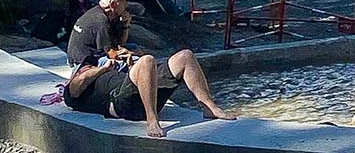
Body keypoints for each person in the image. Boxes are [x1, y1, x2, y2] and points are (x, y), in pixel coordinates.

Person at [64, 47, 235, 138]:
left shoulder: (109, 72)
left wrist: (129, 64)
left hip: (144, 95)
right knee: (147, 60)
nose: (90, 65)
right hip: (122, 105)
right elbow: (78, 84)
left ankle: (209, 107)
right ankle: (152, 120)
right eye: (86, 66)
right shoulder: (73, 90)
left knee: (185, 56)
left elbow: (137, 78)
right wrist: (101, 69)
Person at [67, 0, 132, 66]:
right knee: (128, 64)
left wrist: (125, 25)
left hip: (87, 54)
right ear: (113, 4)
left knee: (133, 47)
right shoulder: (100, 20)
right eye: (124, 2)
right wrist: (133, 54)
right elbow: (111, 53)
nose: (126, 5)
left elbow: (120, 43)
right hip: (83, 62)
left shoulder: (103, 14)